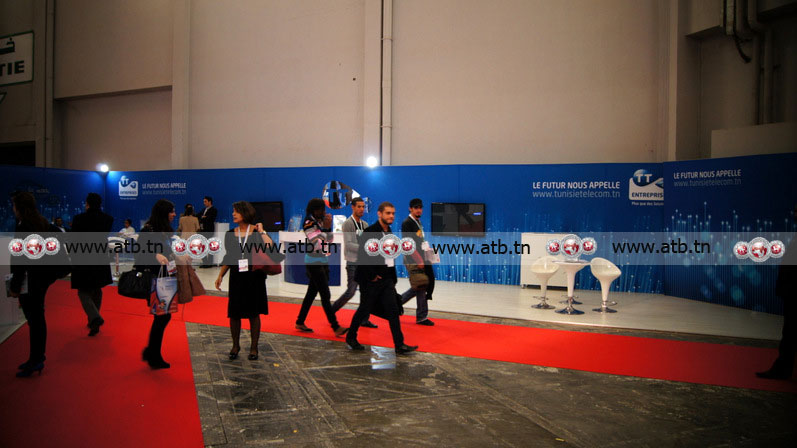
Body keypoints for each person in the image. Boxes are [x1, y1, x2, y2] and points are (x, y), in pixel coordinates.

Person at [346, 202, 418, 355]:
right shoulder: (370, 231)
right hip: (370, 280)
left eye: (393, 213)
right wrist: (372, 275)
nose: (391, 216)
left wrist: (392, 278)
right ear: (379, 214)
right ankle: (351, 336)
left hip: (386, 279)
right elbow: (362, 257)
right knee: (364, 309)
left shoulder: (389, 232)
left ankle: (399, 345)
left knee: (393, 311)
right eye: (388, 213)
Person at [8, 192, 62, 377]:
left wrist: (15, 286)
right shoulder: (41, 222)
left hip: (30, 279)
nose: (13, 209)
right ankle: (37, 357)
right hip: (41, 278)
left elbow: (20, 259)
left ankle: (36, 359)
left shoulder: (24, 225)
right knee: (38, 318)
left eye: (14, 205)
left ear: (20, 207)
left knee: (34, 319)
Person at [215, 201, 271, 361]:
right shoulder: (230, 234)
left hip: (254, 277)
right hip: (237, 277)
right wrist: (221, 275)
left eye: (236, 211)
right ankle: (235, 345)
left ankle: (254, 347)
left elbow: (270, 247)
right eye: (233, 211)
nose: (233, 214)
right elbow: (229, 256)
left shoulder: (257, 231)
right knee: (234, 313)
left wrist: (262, 231)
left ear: (245, 213)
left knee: (254, 313)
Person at [295, 198, 349, 337]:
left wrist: (328, 228)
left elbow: (329, 241)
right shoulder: (309, 223)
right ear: (315, 210)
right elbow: (317, 243)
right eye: (322, 210)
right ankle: (335, 326)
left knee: (311, 294)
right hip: (314, 263)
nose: (324, 212)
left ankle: (300, 321)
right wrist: (325, 228)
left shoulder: (319, 221)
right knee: (325, 295)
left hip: (322, 260)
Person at [136, 199, 178, 369]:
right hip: (156, 280)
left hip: (166, 278)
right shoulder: (148, 230)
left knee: (163, 316)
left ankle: (151, 352)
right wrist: (155, 256)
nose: (174, 214)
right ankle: (153, 354)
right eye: (171, 211)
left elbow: (167, 253)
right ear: (163, 213)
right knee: (162, 317)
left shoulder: (163, 231)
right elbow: (140, 256)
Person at [757, 205, 797, 380]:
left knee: (790, 333)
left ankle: (782, 369)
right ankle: (782, 369)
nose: (794, 214)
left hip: (793, 292)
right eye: (794, 210)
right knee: (789, 333)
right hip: (790, 292)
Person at [69, 192, 114, 336]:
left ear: (87, 204)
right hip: (100, 258)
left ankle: (94, 317)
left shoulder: (78, 219)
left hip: (82, 258)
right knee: (97, 289)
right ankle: (94, 322)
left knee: (83, 291)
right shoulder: (107, 219)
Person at [331, 197, 377, 328]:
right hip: (353, 263)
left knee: (366, 293)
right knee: (350, 292)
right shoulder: (347, 224)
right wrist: (365, 248)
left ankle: (364, 319)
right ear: (353, 207)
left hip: (364, 264)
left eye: (363, 207)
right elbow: (349, 244)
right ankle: (331, 311)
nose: (361, 209)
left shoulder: (365, 225)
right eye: (359, 206)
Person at [400, 198, 435, 326]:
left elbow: (420, 241)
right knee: (420, 285)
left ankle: (420, 315)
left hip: (421, 258)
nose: (419, 210)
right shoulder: (407, 223)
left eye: (420, 208)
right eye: (416, 208)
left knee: (420, 286)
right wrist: (419, 260)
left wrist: (428, 251)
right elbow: (408, 244)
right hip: (413, 259)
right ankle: (420, 316)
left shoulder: (417, 222)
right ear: (410, 209)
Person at [196, 196, 217, 267]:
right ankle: (205, 262)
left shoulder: (213, 210)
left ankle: (209, 263)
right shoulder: (203, 210)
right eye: (204, 201)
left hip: (209, 230)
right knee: (202, 247)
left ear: (209, 202)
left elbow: (210, 219)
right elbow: (198, 216)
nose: (204, 203)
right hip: (202, 230)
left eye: (205, 201)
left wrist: (204, 218)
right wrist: (203, 217)